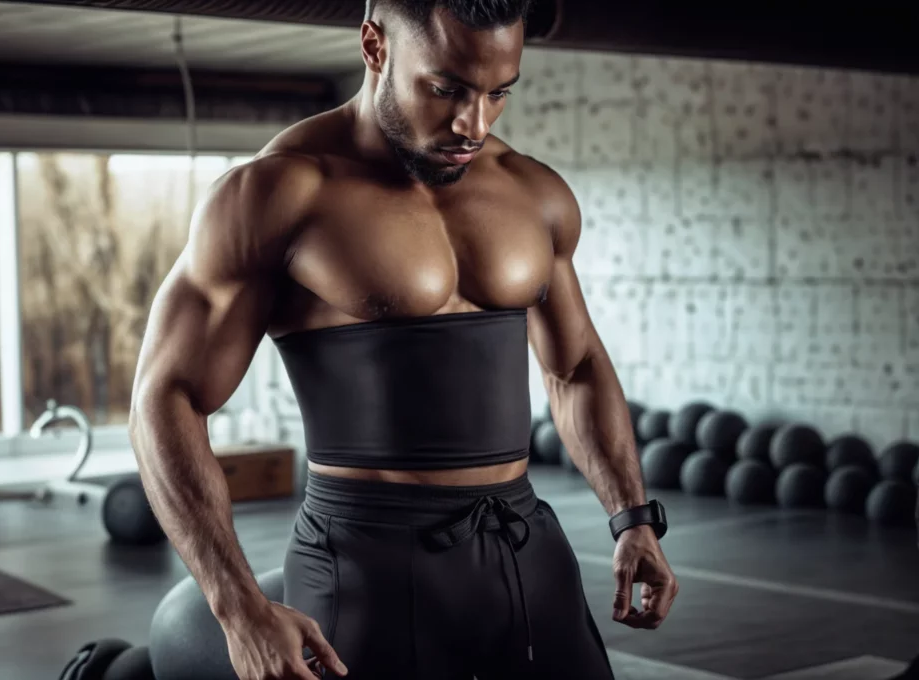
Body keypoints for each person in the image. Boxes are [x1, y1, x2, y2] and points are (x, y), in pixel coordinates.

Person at [129, 1, 679, 678]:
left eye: (497, 94)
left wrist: (633, 517)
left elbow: (577, 365)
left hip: (524, 543)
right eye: (446, 89)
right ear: (374, 45)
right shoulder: (279, 194)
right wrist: (236, 604)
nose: (472, 124)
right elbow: (166, 398)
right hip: (363, 560)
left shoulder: (533, 193)